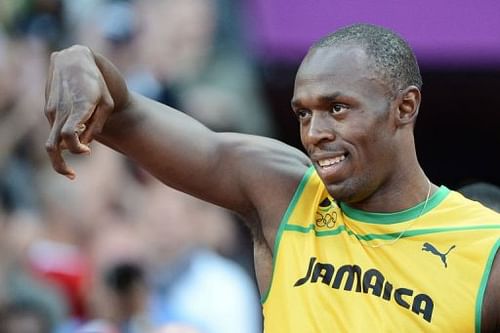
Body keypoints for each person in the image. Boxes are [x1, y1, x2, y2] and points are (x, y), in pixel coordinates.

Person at [43, 23, 500, 332]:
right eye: (304, 113)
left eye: (337, 109)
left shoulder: (486, 248)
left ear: (405, 107)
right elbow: (128, 117)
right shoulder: (284, 193)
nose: (316, 134)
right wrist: (85, 63)